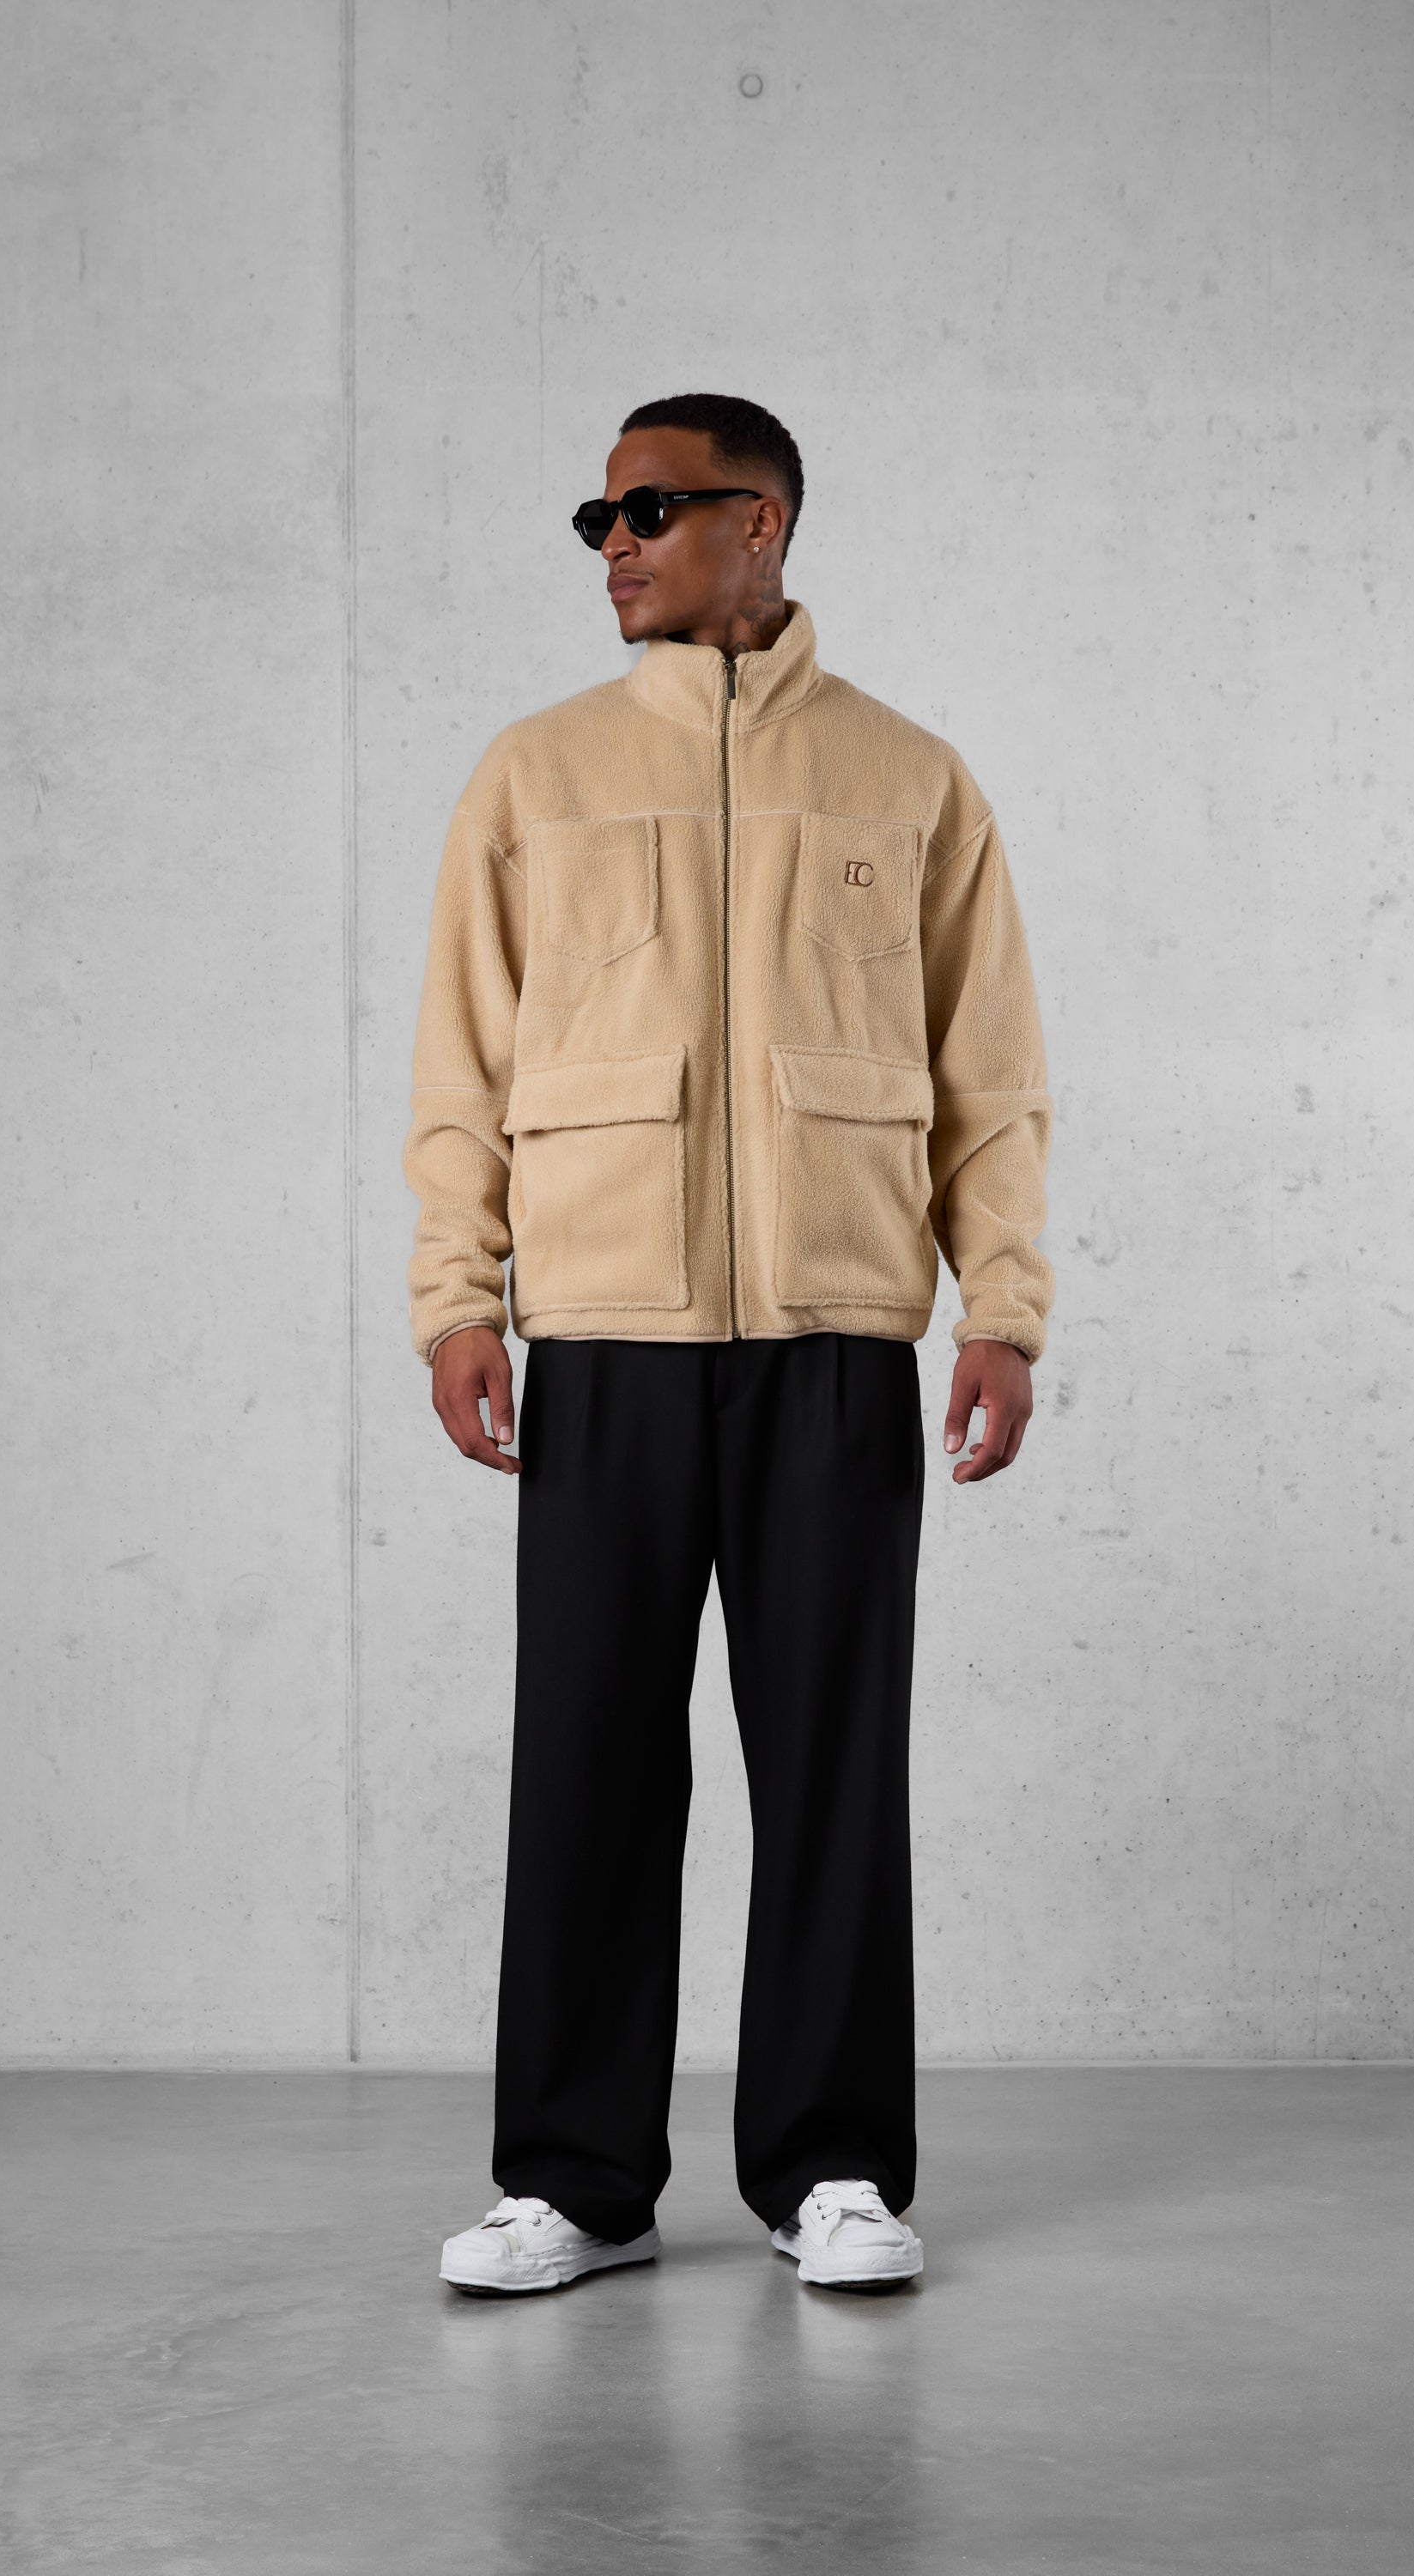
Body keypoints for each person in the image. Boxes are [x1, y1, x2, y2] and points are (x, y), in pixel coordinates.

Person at [404, 393, 1054, 2296]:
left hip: (834, 1340)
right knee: (588, 1761)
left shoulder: (908, 779)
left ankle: (832, 2168)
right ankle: (575, 2181)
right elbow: (460, 1065)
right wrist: (457, 1294)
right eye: (597, 515)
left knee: (834, 1765)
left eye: (650, 508)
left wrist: (1003, 1308)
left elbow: (991, 1078)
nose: (612, 542)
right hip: (604, 1338)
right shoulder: (535, 774)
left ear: (758, 522)